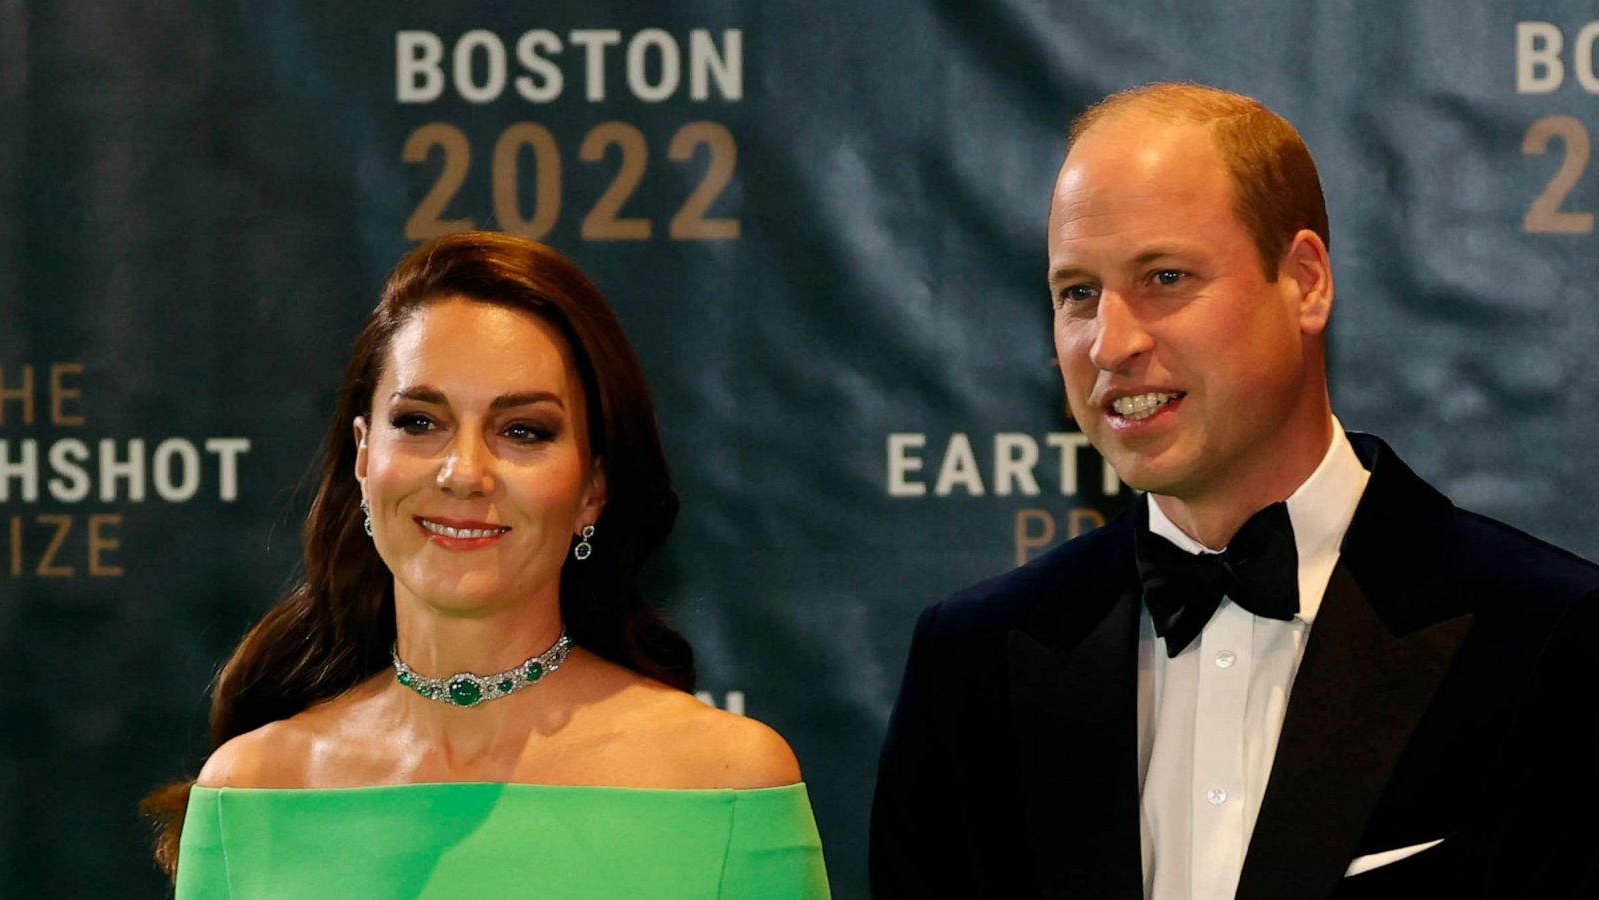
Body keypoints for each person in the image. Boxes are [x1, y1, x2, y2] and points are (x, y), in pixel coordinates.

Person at [871, 83, 1599, 899]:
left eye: (1166, 276)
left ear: (1306, 283)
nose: (1111, 343)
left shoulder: (1552, 640)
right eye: (1078, 293)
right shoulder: (971, 660)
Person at [143, 231, 831, 899]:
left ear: (593, 489)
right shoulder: (250, 792)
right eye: (419, 421)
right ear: (362, 456)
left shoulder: (729, 787)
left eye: (522, 431)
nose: (463, 472)